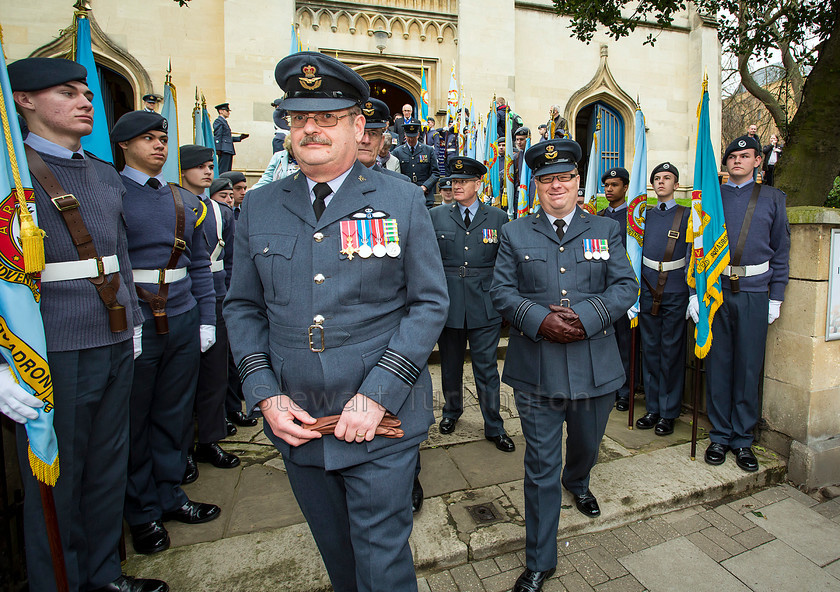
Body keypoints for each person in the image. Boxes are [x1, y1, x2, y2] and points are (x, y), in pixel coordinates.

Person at [223, 51, 448, 592]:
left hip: (382, 418)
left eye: (327, 118)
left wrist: (378, 394)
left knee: (382, 564)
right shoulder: (258, 206)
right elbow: (243, 307)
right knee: (338, 559)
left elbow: (428, 304)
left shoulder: (402, 199)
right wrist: (265, 395)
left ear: (357, 125)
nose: (311, 129)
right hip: (295, 419)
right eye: (300, 119)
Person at [6, 57, 167, 592]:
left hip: (116, 336)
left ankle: (104, 575)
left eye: (87, 93)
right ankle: (61, 581)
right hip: (55, 347)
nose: (84, 102)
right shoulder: (13, 171)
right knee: (60, 478)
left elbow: (117, 252)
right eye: (67, 93)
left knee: (106, 468)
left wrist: (136, 323)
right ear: (24, 101)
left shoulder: (101, 172)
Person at [490, 139, 637, 592]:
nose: (556, 185)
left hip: (595, 363)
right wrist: (540, 320)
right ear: (536, 186)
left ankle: (578, 479)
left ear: (578, 182)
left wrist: (588, 317)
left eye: (565, 178)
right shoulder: (515, 233)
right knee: (539, 465)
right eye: (547, 179)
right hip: (537, 367)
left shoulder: (604, 229)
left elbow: (626, 285)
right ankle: (540, 559)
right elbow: (501, 292)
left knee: (588, 445)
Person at [114, 125, 220, 555]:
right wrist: (125, 323)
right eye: (147, 139)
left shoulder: (181, 198)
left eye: (162, 139)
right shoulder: (111, 191)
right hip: (133, 319)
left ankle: (170, 494)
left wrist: (206, 318)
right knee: (133, 422)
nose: (159, 145)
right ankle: (142, 513)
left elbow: (197, 263)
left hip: (181, 314)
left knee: (174, 415)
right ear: (123, 145)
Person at [690, 135, 789, 472]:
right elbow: (698, 245)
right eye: (732, 156)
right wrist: (693, 292)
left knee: (748, 368)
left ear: (758, 161)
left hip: (753, 292)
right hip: (715, 291)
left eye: (745, 156)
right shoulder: (711, 200)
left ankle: (743, 439)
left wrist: (776, 297)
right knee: (718, 365)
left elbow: (781, 252)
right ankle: (719, 435)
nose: (737, 161)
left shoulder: (773, 198)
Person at [430, 157, 514, 451]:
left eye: (464, 181)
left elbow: (505, 265)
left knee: (487, 368)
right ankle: (451, 412)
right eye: (454, 181)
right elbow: (428, 262)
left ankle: (494, 424)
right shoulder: (436, 215)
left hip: (485, 302)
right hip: (449, 301)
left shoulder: (498, 218)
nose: (457, 185)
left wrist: (504, 302)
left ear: (479, 184)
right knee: (450, 366)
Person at [187, 175, 240, 473]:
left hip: (217, 297)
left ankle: (209, 438)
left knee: (214, 376)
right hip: (177, 300)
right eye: (200, 167)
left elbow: (230, 259)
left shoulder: (221, 212)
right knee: (181, 386)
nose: (208, 172)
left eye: (210, 166)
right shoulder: (180, 204)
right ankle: (183, 450)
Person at [636, 162, 689, 436]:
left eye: (667, 178)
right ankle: (653, 408)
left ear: (676, 184)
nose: (661, 182)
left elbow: (694, 255)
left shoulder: (688, 214)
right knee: (651, 349)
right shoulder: (644, 216)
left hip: (676, 288)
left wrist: (692, 294)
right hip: (647, 288)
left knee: (671, 351)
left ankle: (669, 412)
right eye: (656, 178)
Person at [597, 166, 634, 411]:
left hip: (624, 290)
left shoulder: (635, 218)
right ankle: (606, 387)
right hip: (601, 289)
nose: (609, 190)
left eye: (615, 185)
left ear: (626, 187)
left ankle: (625, 390)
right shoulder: (598, 218)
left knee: (625, 343)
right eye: (606, 186)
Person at [392, 121, 439, 208]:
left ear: (418, 135)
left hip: (425, 196)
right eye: (409, 137)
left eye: (413, 137)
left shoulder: (428, 150)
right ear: (405, 135)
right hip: (405, 195)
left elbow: (435, 173)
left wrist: (425, 186)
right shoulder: (398, 152)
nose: (411, 140)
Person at [213, 102, 249, 174]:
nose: (228, 113)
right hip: (224, 149)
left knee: (227, 170)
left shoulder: (224, 121)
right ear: (221, 111)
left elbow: (227, 137)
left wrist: (240, 138)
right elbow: (218, 135)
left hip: (228, 149)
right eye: (227, 111)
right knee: (223, 170)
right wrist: (218, 148)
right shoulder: (219, 121)